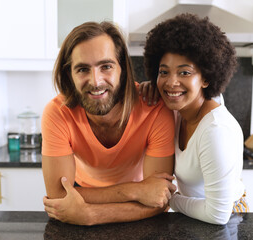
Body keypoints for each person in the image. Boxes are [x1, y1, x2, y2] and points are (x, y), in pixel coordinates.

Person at [41, 21, 177, 226]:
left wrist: (91, 215)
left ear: (122, 68)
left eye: (106, 66)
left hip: (119, 209)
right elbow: (59, 196)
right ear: (70, 74)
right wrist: (137, 190)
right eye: (82, 69)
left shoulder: (155, 110)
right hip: (135, 197)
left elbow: (159, 199)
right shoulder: (57, 113)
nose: (96, 81)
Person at [140, 13, 248, 225]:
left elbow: (218, 214)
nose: (171, 82)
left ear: (206, 77)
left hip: (225, 222)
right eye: (164, 72)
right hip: (194, 217)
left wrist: (170, 199)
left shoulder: (215, 130)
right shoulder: (180, 110)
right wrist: (149, 87)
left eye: (185, 73)